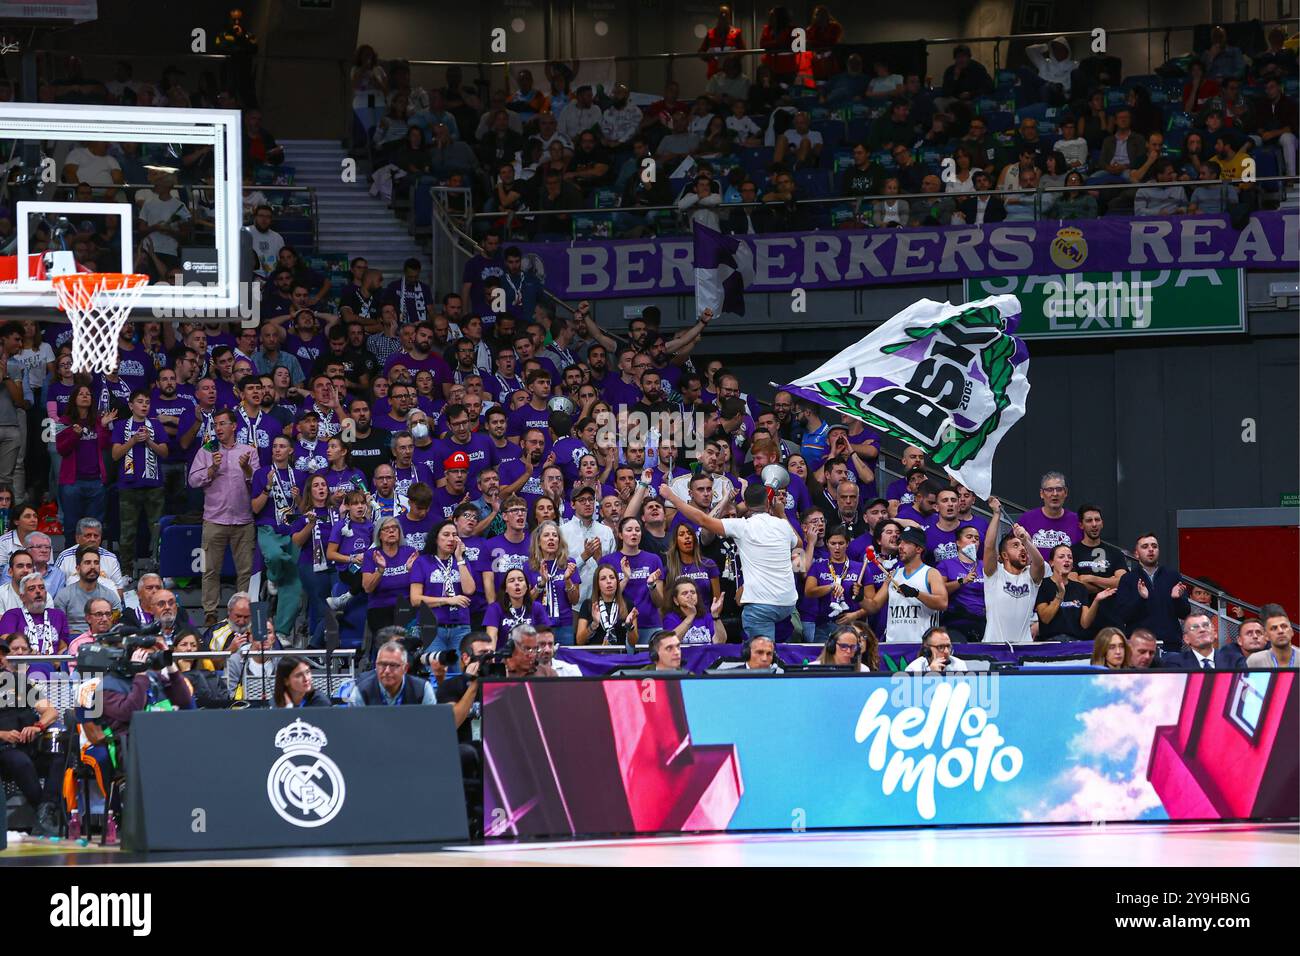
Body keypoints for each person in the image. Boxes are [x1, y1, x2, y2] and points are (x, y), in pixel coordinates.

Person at [660, 480, 800, 639]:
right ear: (769, 502)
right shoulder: (782, 525)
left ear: (745, 504)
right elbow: (799, 543)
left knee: (762, 656)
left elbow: (702, 520)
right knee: (780, 654)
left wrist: (672, 497)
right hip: (788, 602)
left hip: (761, 605)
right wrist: (781, 513)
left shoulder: (743, 526)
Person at [187, 408, 256, 626]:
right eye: (216, 424)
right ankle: (210, 613)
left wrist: (246, 469)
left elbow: (258, 483)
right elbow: (193, 481)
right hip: (214, 519)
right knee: (209, 570)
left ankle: (243, 612)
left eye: (222, 424)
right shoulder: (206, 451)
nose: (218, 428)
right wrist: (212, 469)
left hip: (243, 520)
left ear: (234, 426)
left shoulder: (249, 451)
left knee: (245, 571)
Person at [0, 635, 63, 836]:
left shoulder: (18, 682)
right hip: (5, 748)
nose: (1, 658)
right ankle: (44, 812)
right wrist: (2, 734)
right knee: (21, 762)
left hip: (29, 743)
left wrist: (37, 726)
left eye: (2, 654)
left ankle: (47, 808)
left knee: (59, 750)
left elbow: (51, 711)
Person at [982, 496, 1045, 643]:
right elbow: (989, 546)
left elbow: (1040, 563)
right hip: (993, 646)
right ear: (1004, 555)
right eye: (1015, 546)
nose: (1022, 549)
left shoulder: (1031, 577)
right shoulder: (995, 574)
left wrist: (1025, 541)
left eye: (1022, 546)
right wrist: (997, 514)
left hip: (1024, 647)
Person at [1113, 533, 1190, 652]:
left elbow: (1185, 613)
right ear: (1136, 554)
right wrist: (1141, 598)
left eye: (1154, 546)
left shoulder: (1173, 576)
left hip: (1169, 645)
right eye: (1145, 547)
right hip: (1139, 647)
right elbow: (1123, 615)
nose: (1151, 549)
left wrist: (1177, 599)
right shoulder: (1128, 579)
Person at [410, 518, 477, 655]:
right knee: (436, 672)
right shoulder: (422, 562)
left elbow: (469, 590)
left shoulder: (461, 562)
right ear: (435, 539)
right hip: (431, 627)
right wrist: (447, 600)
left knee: (460, 673)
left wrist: (459, 559)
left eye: (454, 535)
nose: (451, 539)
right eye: (446, 535)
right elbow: (415, 599)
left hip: (461, 626)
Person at [879, 526, 947, 643]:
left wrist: (916, 593)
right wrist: (860, 597)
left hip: (922, 645)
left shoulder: (931, 573)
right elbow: (874, 605)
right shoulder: (894, 574)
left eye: (906, 543)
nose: (900, 546)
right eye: (900, 542)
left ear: (919, 549)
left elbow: (942, 603)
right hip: (893, 646)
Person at [1035, 545, 1115, 641]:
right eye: (1061, 557)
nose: (1067, 560)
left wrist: (1096, 601)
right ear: (1051, 563)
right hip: (1050, 643)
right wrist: (1059, 596)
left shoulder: (1080, 588)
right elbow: (1045, 618)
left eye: (1070, 557)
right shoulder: (1043, 585)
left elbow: (1085, 624)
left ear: (1073, 564)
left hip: (1075, 643)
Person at [54, 547, 122, 634]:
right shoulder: (63, 595)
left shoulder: (110, 596)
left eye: (96, 563)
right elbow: (58, 627)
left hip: (102, 639)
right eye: (87, 563)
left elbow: (116, 626)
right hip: (72, 641)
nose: (93, 566)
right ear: (78, 568)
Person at [349, 639, 437, 705]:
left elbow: (433, 726)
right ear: (375, 665)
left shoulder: (422, 690)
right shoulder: (361, 691)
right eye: (382, 664)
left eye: (393, 665)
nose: (387, 671)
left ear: (405, 668)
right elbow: (353, 727)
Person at [938, 525, 986, 642]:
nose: (974, 540)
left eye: (977, 538)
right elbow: (940, 591)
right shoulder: (946, 564)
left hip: (983, 620)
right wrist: (962, 581)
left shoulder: (984, 565)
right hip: (956, 621)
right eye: (969, 537)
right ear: (958, 543)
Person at [1017, 471, 1080, 559]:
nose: (1055, 494)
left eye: (1059, 489)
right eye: (1049, 489)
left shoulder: (1077, 521)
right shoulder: (1027, 519)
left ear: (1065, 492)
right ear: (1041, 494)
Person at [574, 563, 638, 647]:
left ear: (617, 582)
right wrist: (594, 624)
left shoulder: (627, 604)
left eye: (612, 577)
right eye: (603, 579)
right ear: (597, 584)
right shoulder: (588, 605)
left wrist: (629, 626)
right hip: (595, 657)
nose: (609, 581)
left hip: (619, 656)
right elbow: (579, 641)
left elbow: (633, 642)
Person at [173, 631, 232, 709]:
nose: (189, 649)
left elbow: (206, 700)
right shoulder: (167, 674)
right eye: (184, 645)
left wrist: (189, 672)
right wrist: (186, 672)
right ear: (175, 649)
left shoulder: (210, 675)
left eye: (193, 645)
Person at [904, 625, 969, 673]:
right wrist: (931, 674)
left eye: (948, 646)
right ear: (927, 650)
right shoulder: (913, 669)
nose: (946, 652)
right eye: (940, 647)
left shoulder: (959, 665)